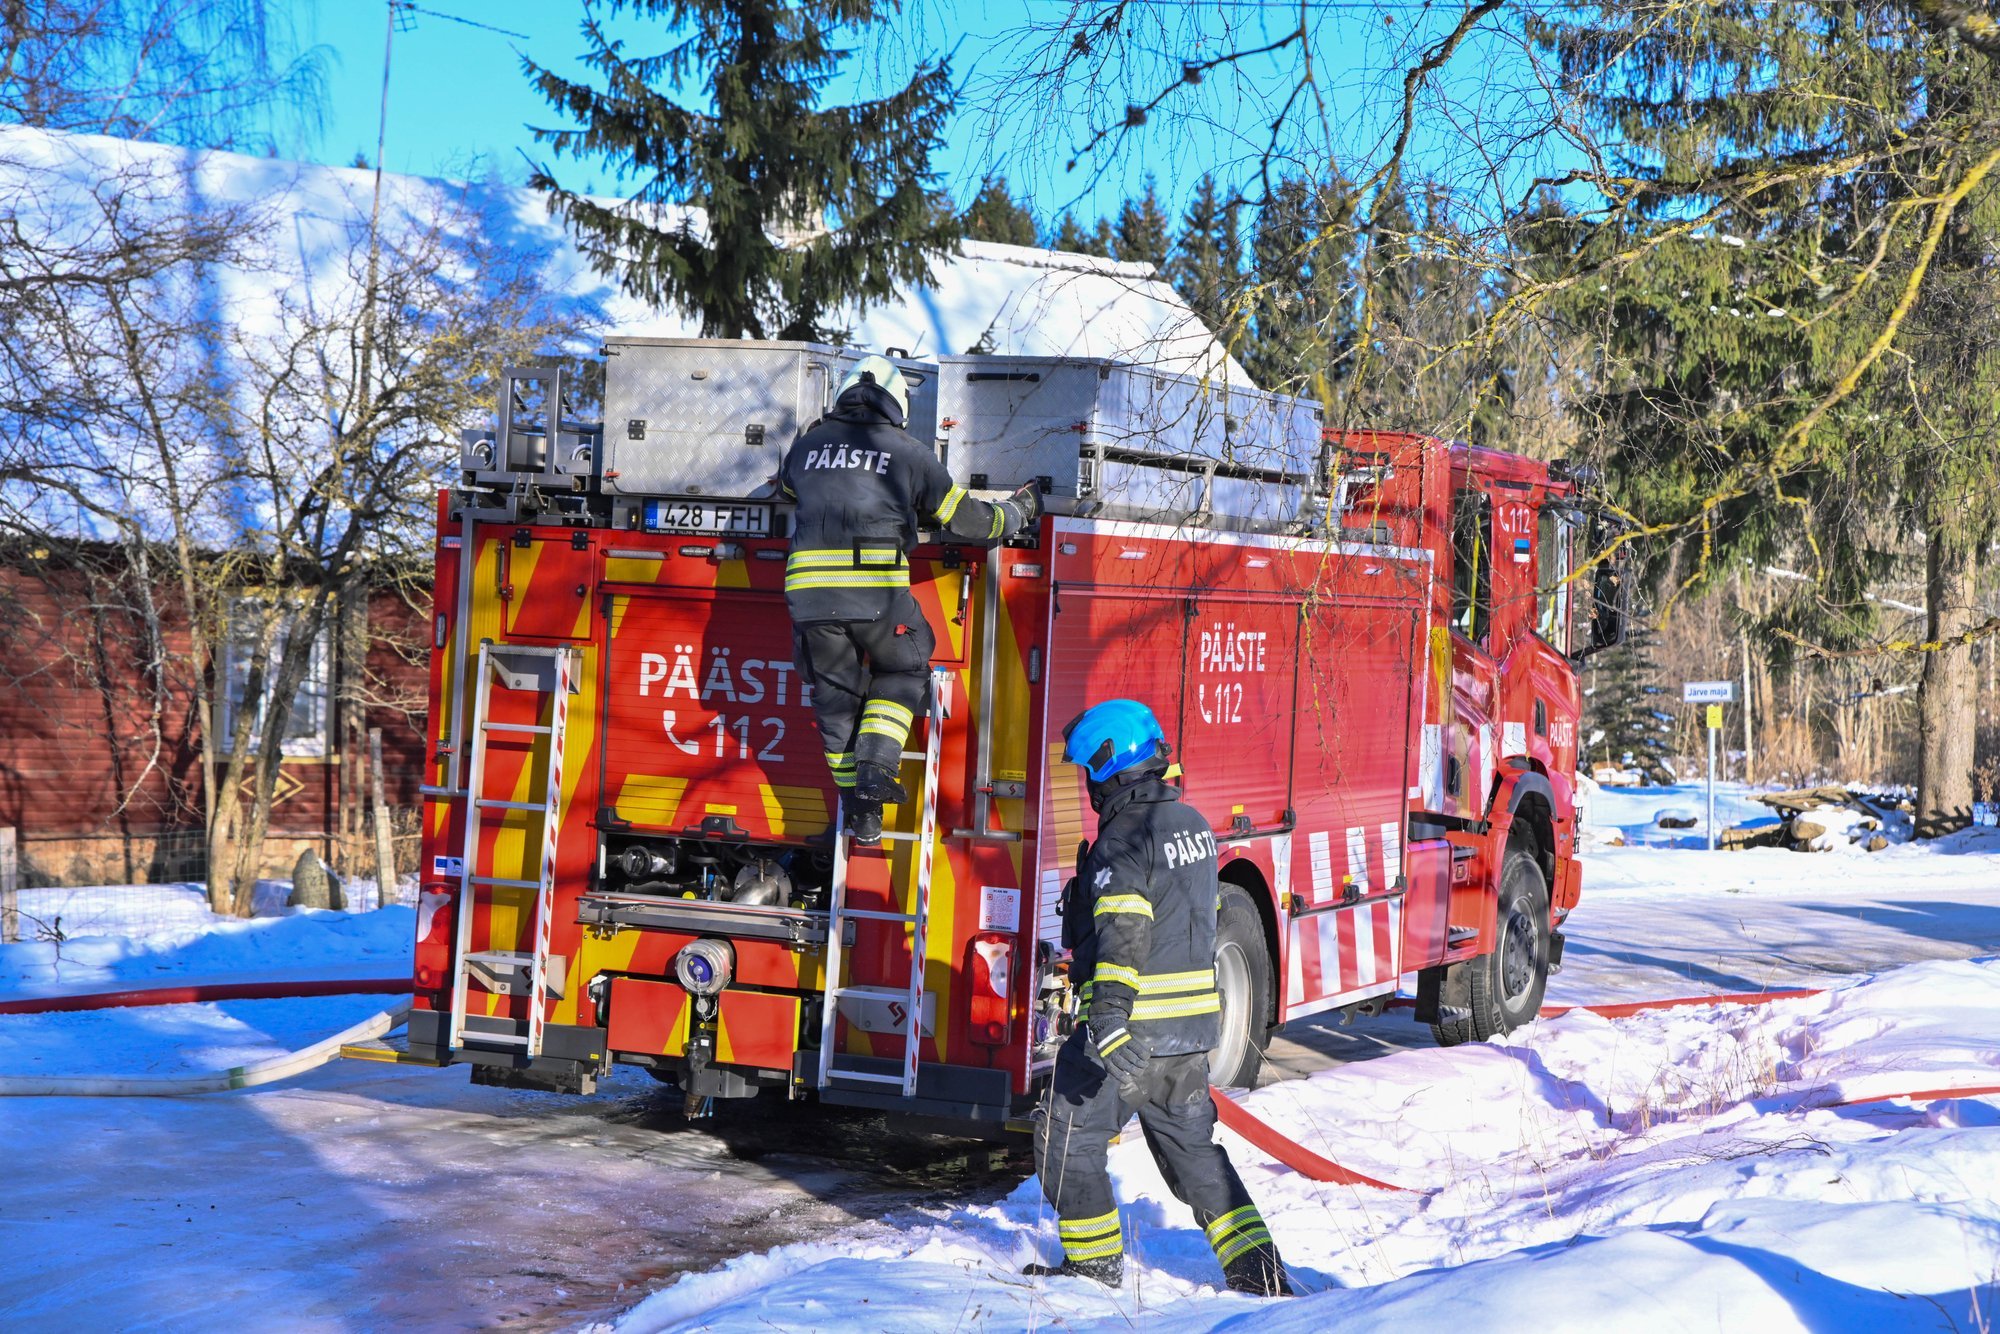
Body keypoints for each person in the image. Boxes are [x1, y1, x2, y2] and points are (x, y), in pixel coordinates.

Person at [1027, 698, 1293, 1297]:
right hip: (1191, 1034)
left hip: (1130, 1036)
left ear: (1107, 765)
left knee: (1066, 1138)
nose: (1086, 786)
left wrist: (1111, 1021)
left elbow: (1125, 934)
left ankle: (1094, 1268)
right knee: (1195, 1157)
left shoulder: (1124, 839)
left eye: (1087, 772)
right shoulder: (1194, 826)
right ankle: (1260, 1274)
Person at [779, 354, 1041, 843]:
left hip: (809, 600)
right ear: (897, 403)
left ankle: (861, 813)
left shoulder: (807, 445)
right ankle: (877, 767)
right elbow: (972, 523)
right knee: (903, 666)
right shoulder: (908, 453)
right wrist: (1021, 508)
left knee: (834, 702)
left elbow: (788, 489)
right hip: (875, 594)